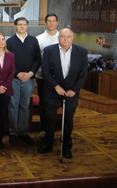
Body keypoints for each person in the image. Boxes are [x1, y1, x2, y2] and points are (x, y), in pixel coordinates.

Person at [38, 28, 88, 159]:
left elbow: (83, 73)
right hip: (52, 90)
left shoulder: (81, 51)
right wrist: (56, 86)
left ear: (72, 38)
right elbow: (45, 71)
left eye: (68, 37)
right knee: (50, 119)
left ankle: (67, 147)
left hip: (71, 91)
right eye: (62, 36)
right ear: (58, 38)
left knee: (68, 121)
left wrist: (74, 90)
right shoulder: (49, 50)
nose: (65, 39)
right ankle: (48, 144)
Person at [6, 17, 41, 146]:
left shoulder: (33, 40)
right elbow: (8, 62)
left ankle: (23, 133)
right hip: (14, 79)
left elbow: (38, 59)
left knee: (25, 106)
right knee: (13, 106)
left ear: (27, 26)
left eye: (24, 24)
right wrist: (17, 73)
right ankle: (13, 133)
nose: (22, 26)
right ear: (15, 26)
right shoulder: (9, 42)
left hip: (29, 79)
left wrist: (31, 73)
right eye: (19, 24)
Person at [36, 14, 59, 137]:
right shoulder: (39, 38)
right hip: (42, 77)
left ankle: (53, 129)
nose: (51, 23)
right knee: (43, 103)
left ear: (57, 22)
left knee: (55, 104)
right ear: (45, 23)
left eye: (53, 21)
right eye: (49, 21)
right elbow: (36, 58)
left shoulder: (63, 37)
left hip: (59, 78)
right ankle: (44, 128)